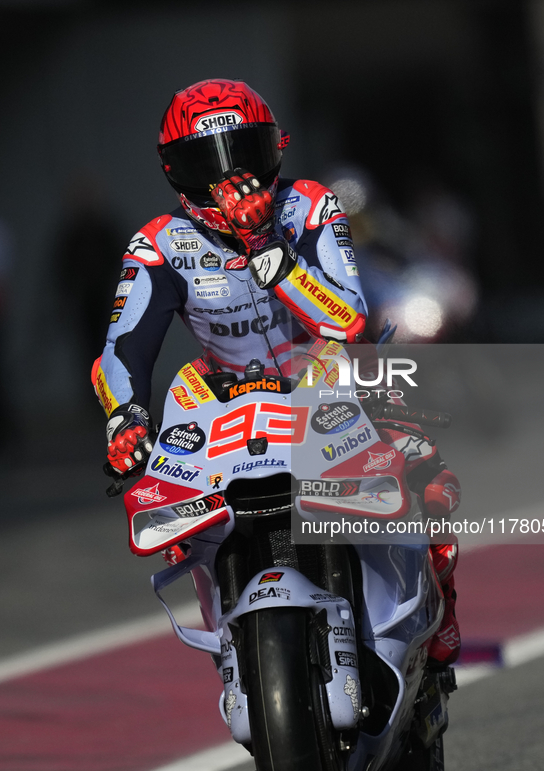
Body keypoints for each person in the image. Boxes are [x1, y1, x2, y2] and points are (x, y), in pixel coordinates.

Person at [91, 78, 459, 666]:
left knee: (426, 472)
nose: (231, 179)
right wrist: (123, 418)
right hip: (225, 400)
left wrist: (268, 247)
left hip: (329, 378)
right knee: (171, 497)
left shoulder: (310, 204)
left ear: (276, 149)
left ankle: (440, 603)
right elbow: (120, 349)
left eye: (246, 155)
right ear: (173, 171)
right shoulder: (158, 243)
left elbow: (348, 318)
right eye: (205, 163)